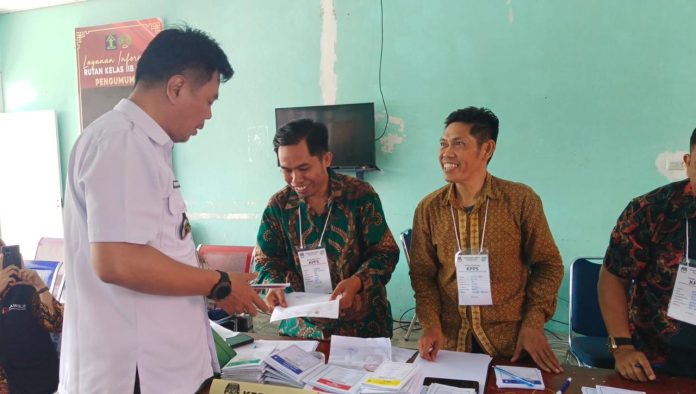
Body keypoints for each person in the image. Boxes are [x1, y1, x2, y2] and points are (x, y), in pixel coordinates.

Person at [60, 26, 269, 394]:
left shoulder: (143, 146)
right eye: (209, 100)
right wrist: (218, 284)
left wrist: (213, 278)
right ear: (175, 88)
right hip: (136, 373)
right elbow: (118, 262)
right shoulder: (122, 143)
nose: (208, 115)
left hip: (160, 368)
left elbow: (157, 251)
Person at [409, 107, 564, 373]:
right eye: (443, 144)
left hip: (510, 344)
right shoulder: (429, 208)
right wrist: (431, 325)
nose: (446, 153)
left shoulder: (520, 200)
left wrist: (533, 324)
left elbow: (548, 265)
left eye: (459, 144)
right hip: (450, 345)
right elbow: (423, 274)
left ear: (486, 149)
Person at [254, 118, 400, 339]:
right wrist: (271, 285)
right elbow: (266, 259)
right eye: (286, 170)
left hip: (362, 329)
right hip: (302, 329)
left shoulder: (360, 196)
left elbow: (385, 252)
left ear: (327, 159)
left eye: (304, 168)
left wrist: (358, 281)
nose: (295, 179)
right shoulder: (279, 206)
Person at [599, 128, 696, 382]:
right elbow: (612, 278)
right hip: (654, 362)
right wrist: (622, 347)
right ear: (687, 163)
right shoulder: (651, 210)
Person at [0, 241, 63, 394]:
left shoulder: (26, 288)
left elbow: (56, 324)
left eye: (4, 253)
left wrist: (39, 286)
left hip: (43, 382)